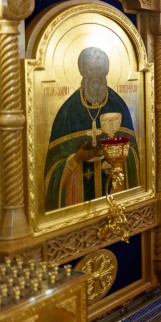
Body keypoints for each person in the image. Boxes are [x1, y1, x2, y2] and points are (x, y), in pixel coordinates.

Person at [44, 47, 139, 211]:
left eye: (100, 69)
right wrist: (76, 159)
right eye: (91, 69)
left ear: (106, 71)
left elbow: (135, 154)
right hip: (78, 197)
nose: (96, 75)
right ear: (82, 72)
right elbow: (52, 167)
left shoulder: (118, 104)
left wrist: (116, 153)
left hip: (114, 191)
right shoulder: (68, 110)